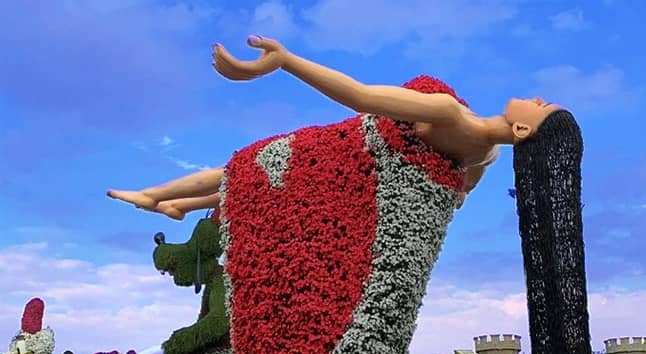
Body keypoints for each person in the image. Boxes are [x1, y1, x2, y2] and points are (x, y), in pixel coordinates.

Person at [108, 35, 560, 219]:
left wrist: (284, 62)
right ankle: (181, 206)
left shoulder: (450, 112)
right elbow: (460, 194)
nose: (538, 98)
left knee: (243, 169)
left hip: (338, 155)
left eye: (541, 107)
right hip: (356, 183)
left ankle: (156, 194)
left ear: (521, 131)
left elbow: (360, 96)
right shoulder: (485, 155)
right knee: (251, 181)